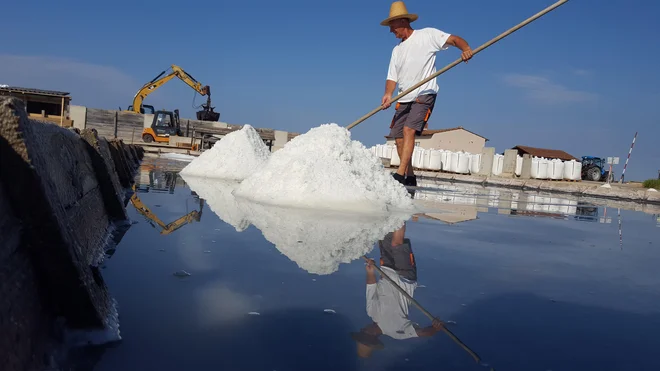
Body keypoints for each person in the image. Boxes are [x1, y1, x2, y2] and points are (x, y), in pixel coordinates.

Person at [380, 1, 473, 187]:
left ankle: (399, 175)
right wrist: (388, 94)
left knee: (409, 130)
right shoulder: (397, 50)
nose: (391, 31)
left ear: (402, 22)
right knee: (398, 138)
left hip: (424, 93)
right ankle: (410, 175)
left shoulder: (427, 35)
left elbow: (454, 39)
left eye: (392, 27)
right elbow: (392, 76)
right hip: (403, 97)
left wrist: (465, 49)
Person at [350, 222, 443, 358]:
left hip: (386, 269)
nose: (363, 328)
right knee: (396, 243)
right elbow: (423, 333)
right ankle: (402, 208)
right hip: (405, 277)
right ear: (371, 335)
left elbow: (371, 287)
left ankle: (391, 209)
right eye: (363, 331)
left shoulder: (371, 312)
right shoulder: (396, 332)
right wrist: (435, 328)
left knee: (384, 235)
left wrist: (370, 272)